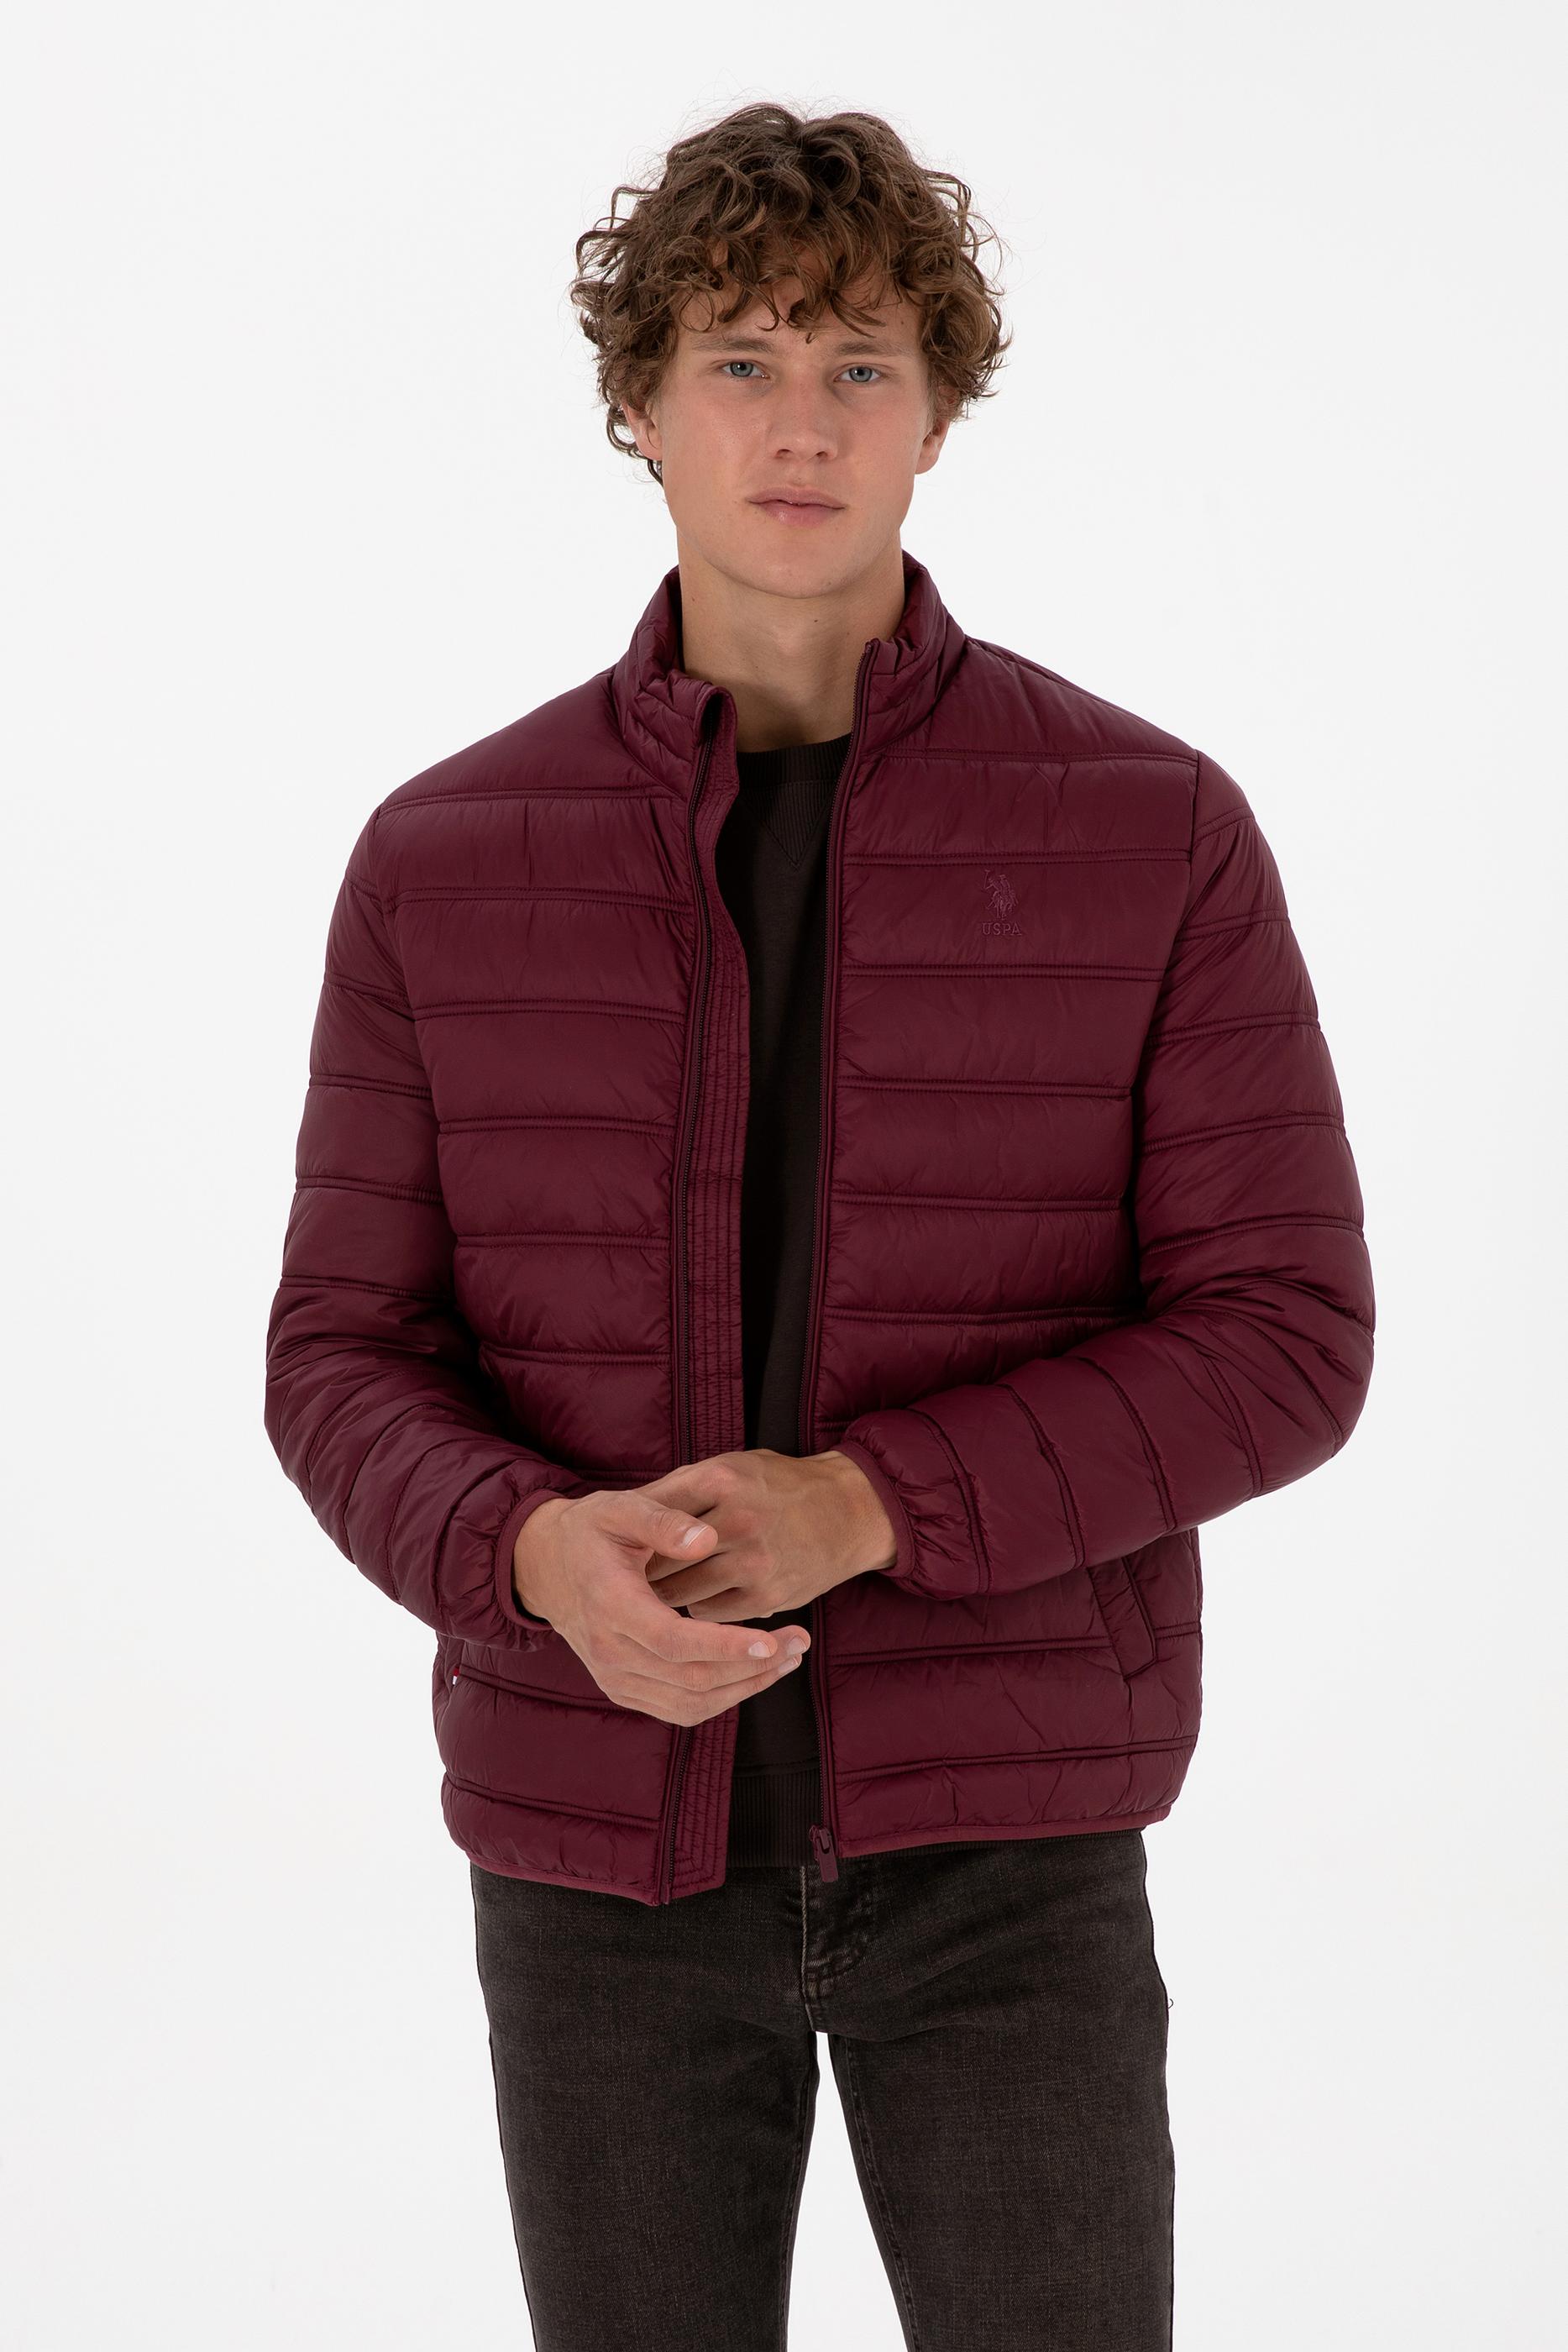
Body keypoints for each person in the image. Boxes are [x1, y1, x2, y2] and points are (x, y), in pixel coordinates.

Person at [264, 101, 1375, 2352]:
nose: (802, 424)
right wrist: (524, 1551)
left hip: (1011, 1845)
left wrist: (870, 1506)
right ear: (639, 408)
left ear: (936, 414)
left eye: (861, 364)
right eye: (742, 361)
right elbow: (339, 1353)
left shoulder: (1151, 829)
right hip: (594, 1841)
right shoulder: (444, 858)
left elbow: (1283, 1333)